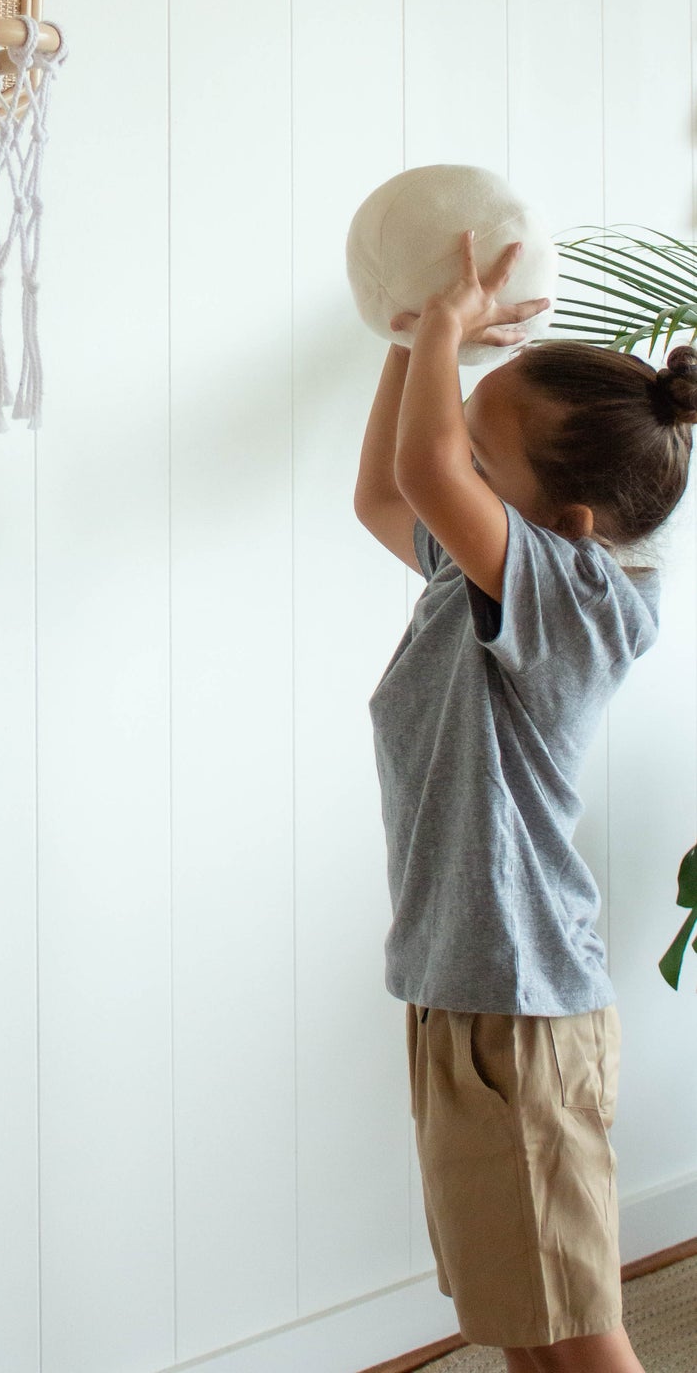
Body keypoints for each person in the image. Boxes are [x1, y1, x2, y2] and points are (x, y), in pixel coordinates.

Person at [354, 229, 697, 1373]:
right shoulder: (486, 569)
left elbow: (419, 474)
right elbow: (379, 492)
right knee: (518, 1314)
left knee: (582, 1333)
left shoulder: (581, 603)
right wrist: (412, 339)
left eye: (478, 456)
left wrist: (449, 324)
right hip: (460, 984)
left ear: (569, 524)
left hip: (521, 1005)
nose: (450, 449)